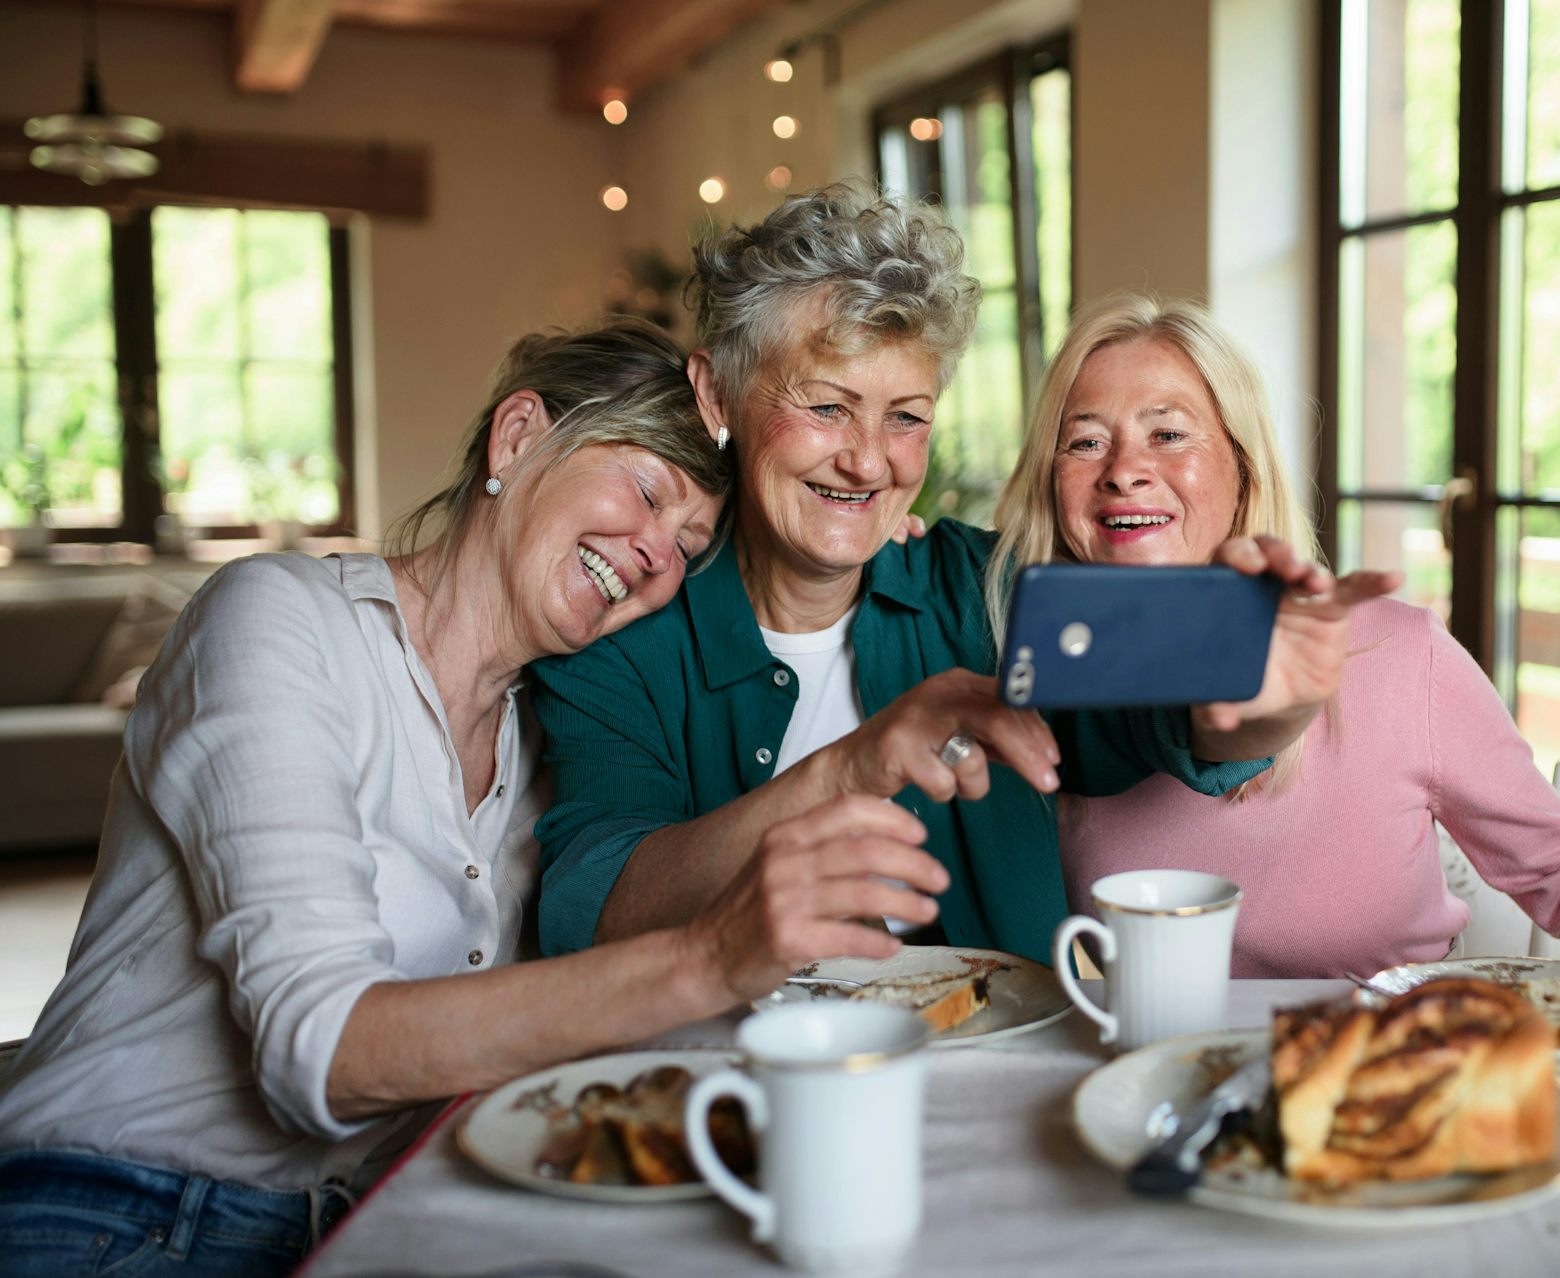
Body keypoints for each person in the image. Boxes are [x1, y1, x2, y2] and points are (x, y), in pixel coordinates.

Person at [0, 317, 950, 1278]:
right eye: (647, 491)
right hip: (114, 1206)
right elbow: (319, 1051)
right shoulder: (277, 622)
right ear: (520, 436)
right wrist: (708, 956)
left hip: (381, 1219)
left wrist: (855, 542)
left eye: (689, 543)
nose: (655, 554)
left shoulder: (556, 738)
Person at [531, 184, 1376, 963]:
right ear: (717, 395)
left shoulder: (986, 589)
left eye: (906, 417)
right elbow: (594, 902)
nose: (867, 462)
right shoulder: (629, 627)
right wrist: (848, 769)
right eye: (827, 407)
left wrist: (1265, 702)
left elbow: (1156, 722)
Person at [992, 292, 1560, 979]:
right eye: (1085, 441)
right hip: (1139, 1101)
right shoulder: (1011, 668)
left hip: (1391, 1084)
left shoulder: (1394, 655)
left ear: (1240, 467)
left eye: (1168, 434)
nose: (1124, 473)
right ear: (1052, 480)